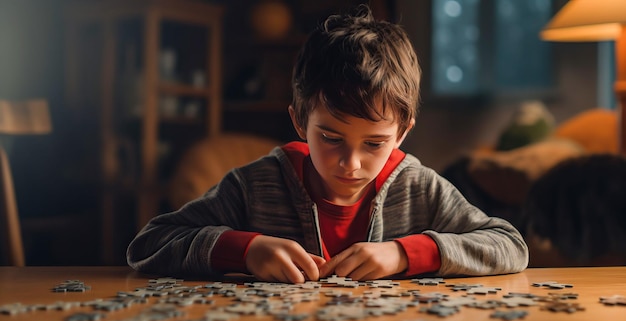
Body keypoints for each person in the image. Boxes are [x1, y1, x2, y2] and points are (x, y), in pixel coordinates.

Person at [127, 5, 528, 283]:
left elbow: (510, 246)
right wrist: (244, 249)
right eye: (331, 138)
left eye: (374, 143)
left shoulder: (419, 187)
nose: (350, 163)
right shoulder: (255, 186)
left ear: (403, 132)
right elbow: (148, 245)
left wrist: (405, 254)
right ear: (299, 121)